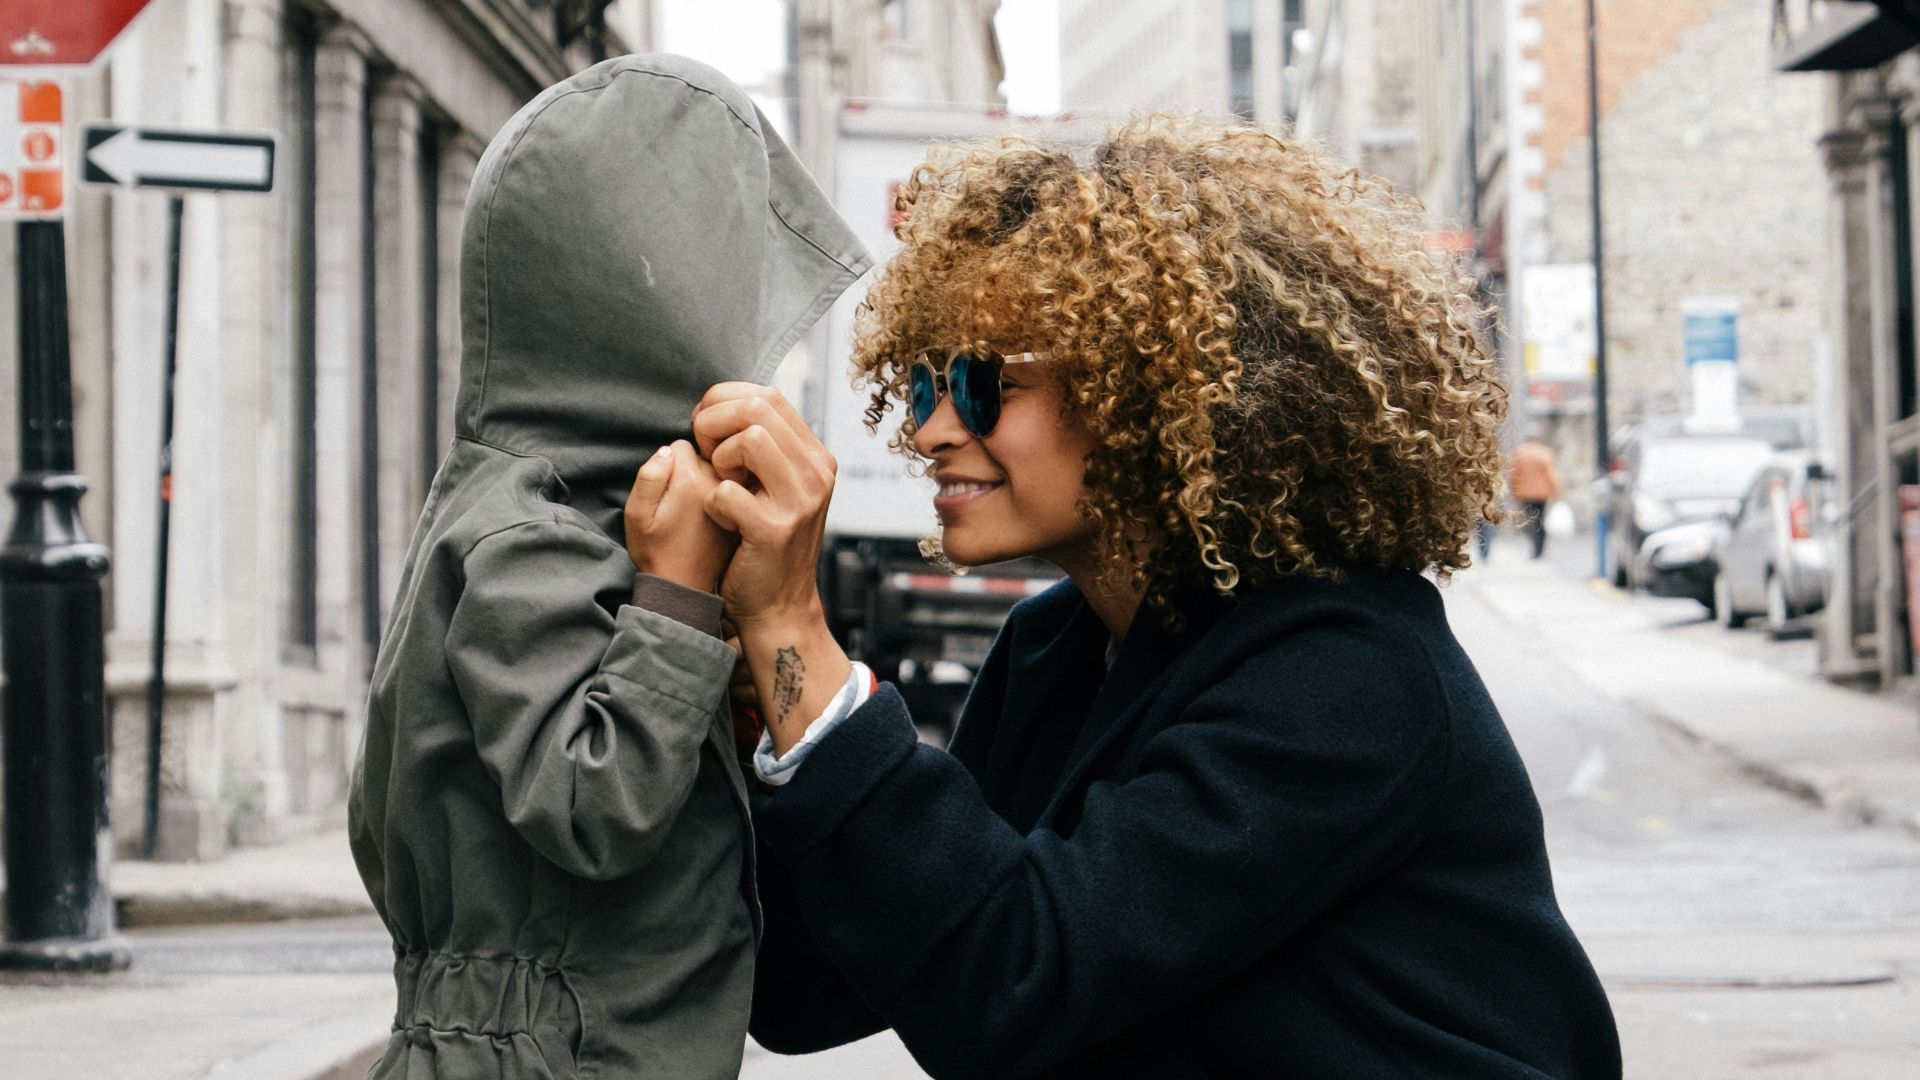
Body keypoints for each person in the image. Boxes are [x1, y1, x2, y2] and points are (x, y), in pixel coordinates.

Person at [674, 116, 1621, 1078]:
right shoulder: (1056, 649)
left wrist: (795, 632)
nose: (932, 431)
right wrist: (759, 697)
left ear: (1150, 395)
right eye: (921, 386)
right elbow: (809, 990)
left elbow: (1017, 985)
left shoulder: (1350, 677)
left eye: (985, 383)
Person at [345, 55, 869, 1079]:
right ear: (651, 300)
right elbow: (595, 805)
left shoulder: (583, 505)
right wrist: (673, 604)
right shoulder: (525, 525)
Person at [1510, 431, 1564, 559]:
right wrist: (1557, 492)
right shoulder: (1545, 453)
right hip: (1541, 493)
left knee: (1530, 520)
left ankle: (1534, 546)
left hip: (1525, 493)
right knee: (1540, 519)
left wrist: (1514, 491)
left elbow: (1514, 474)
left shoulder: (1520, 453)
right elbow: (1551, 475)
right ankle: (1539, 548)